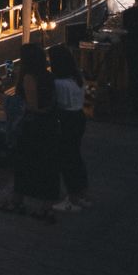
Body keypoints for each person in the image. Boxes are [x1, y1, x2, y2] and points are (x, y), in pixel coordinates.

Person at [4, 43, 60, 223]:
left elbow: (32, 106)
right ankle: (46, 207)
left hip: (33, 126)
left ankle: (18, 201)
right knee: (47, 166)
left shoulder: (29, 77)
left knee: (24, 163)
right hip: (50, 125)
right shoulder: (49, 76)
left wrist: (7, 101)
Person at [49, 44, 90, 212]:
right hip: (79, 118)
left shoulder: (58, 83)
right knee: (75, 156)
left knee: (66, 159)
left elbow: (54, 104)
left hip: (66, 120)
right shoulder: (77, 78)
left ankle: (72, 199)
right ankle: (81, 194)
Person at [124, 0, 138, 116]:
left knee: (134, 76)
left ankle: (135, 106)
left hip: (132, 49)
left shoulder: (128, 13)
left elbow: (126, 28)